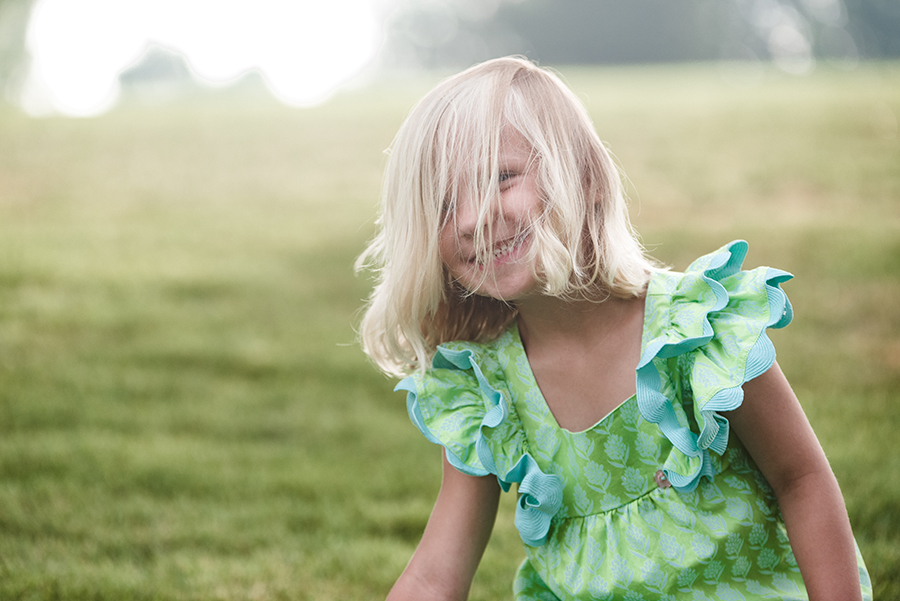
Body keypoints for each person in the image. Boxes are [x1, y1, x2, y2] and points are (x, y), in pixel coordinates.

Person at [355, 56, 872, 601]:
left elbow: (801, 480)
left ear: (586, 179)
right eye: (442, 206)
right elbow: (436, 575)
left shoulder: (697, 329)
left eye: (501, 178)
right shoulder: (487, 390)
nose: (471, 219)